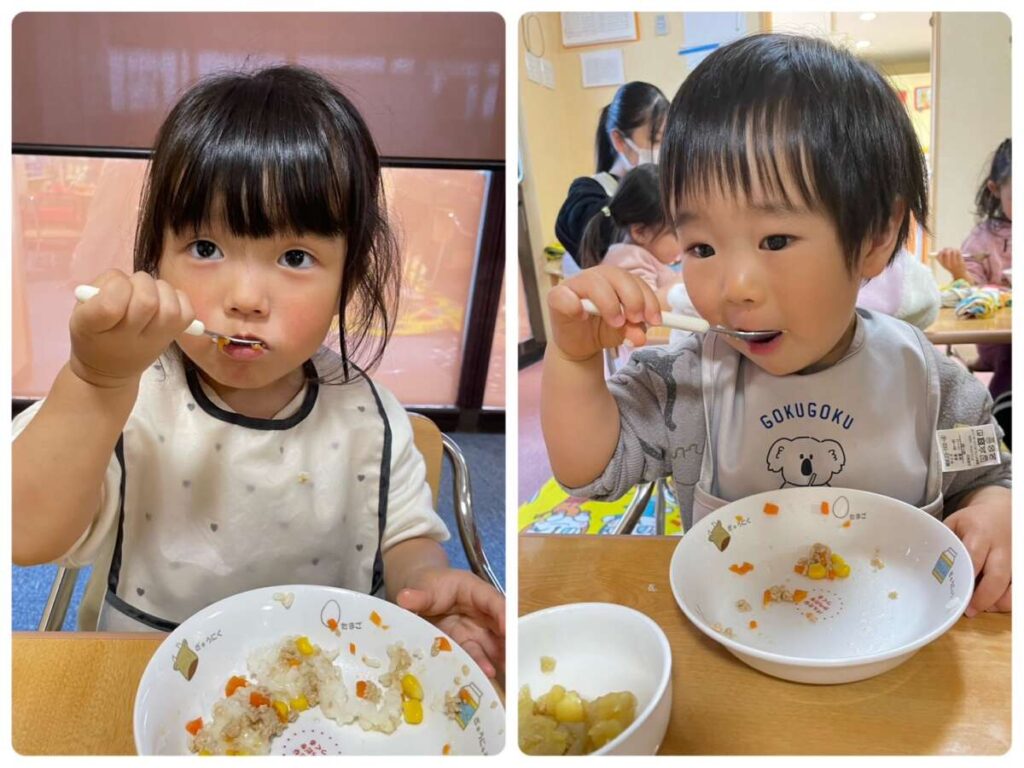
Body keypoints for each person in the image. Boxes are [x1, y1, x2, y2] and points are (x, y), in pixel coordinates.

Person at [12, 66, 504, 678]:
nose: (245, 298)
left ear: (347, 280)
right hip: (145, 680)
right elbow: (24, 533)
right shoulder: (130, 395)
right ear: (156, 256)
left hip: (328, 690)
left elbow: (404, 537)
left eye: (295, 257)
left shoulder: (370, 416)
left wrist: (427, 586)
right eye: (205, 249)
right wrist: (95, 383)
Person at [541, 34, 1011, 617]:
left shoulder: (931, 385)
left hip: (896, 649)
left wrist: (995, 512)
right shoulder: (688, 383)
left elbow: (990, 477)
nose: (734, 286)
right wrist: (574, 360)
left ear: (876, 236)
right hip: (732, 646)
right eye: (702, 247)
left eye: (776, 240)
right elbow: (588, 471)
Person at [554, 81, 669, 273]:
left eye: (668, 140)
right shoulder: (587, 196)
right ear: (619, 140)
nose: (664, 150)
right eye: (656, 140)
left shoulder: (667, 187)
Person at [935, 138, 1012, 401]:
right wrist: (959, 272)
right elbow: (970, 293)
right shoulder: (983, 238)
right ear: (995, 189)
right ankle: (1004, 405)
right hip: (998, 340)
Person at [578, 164, 681, 308]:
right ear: (640, 232)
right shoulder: (631, 260)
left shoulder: (638, 255)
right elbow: (646, 310)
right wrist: (681, 283)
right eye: (677, 233)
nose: (685, 241)